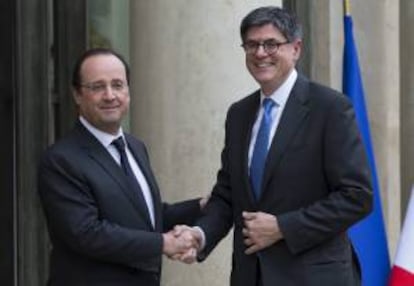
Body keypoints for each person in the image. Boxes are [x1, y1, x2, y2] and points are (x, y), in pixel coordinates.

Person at [174, 6, 373, 286]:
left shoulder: (329, 108)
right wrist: (200, 234)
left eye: (271, 44)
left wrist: (283, 227)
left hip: (314, 277)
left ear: (296, 49)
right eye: (252, 45)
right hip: (251, 276)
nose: (260, 53)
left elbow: (357, 197)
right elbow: (227, 194)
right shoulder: (239, 114)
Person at [37, 48, 203, 286]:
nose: (110, 95)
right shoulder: (60, 160)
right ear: (77, 95)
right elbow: (87, 233)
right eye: (97, 87)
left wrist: (200, 206)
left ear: (128, 91)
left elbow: (145, 217)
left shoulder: (135, 147)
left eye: (117, 85)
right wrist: (164, 243)